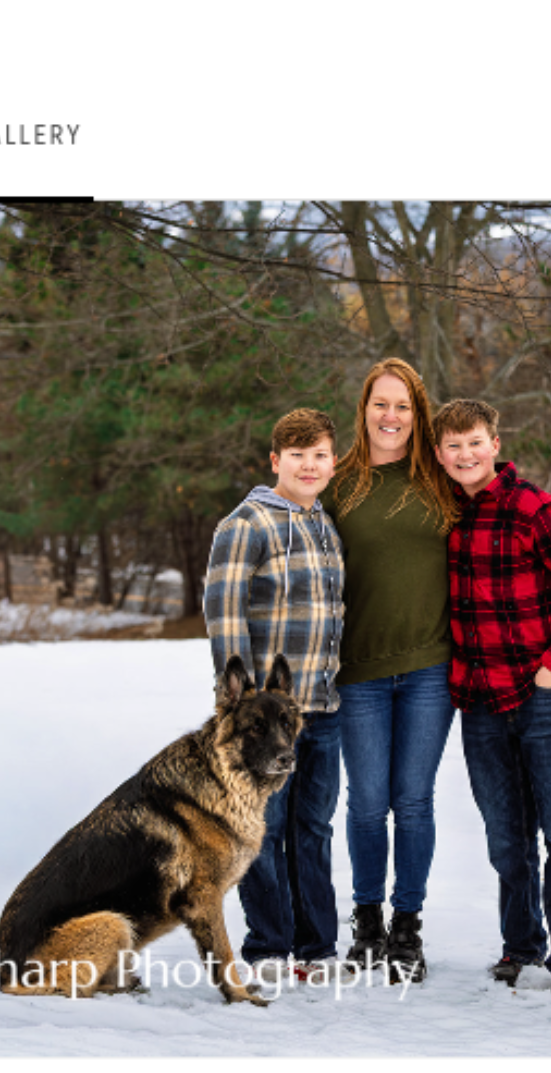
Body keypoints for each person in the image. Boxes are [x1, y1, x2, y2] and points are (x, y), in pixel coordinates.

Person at [434, 396, 551, 994]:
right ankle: (520, 945)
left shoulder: (534, 508)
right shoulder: (442, 515)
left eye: (475, 442)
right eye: (453, 446)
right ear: (439, 453)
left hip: (545, 695)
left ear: (495, 444)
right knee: (506, 838)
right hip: (480, 699)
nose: (465, 454)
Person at [327, 359, 462, 985]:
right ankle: (367, 924)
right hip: (358, 672)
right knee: (365, 804)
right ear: (364, 410)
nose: (391, 416)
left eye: (403, 406)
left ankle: (407, 928)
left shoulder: (441, 481)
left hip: (431, 669)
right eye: (381, 404)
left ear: (419, 413)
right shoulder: (340, 482)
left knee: (413, 803)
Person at [202, 406, 347, 981]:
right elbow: (223, 610)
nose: (308, 467)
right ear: (276, 461)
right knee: (265, 830)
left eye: (319, 456)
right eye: (297, 457)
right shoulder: (247, 523)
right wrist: (239, 704)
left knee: (313, 829)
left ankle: (316, 949)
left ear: (333, 463)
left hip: (322, 709)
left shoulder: (324, 523)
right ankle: (268, 947)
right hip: (266, 721)